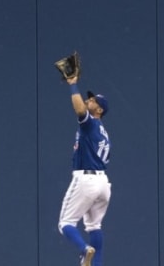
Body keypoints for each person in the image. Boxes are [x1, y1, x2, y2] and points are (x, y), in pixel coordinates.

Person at [58, 75, 112, 266]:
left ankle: (84, 250)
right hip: (103, 183)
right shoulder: (103, 133)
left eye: (93, 100)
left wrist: (73, 85)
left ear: (99, 110)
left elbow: (79, 109)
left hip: (86, 179)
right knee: (94, 226)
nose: (89, 100)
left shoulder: (91, 124)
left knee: (65, 223)